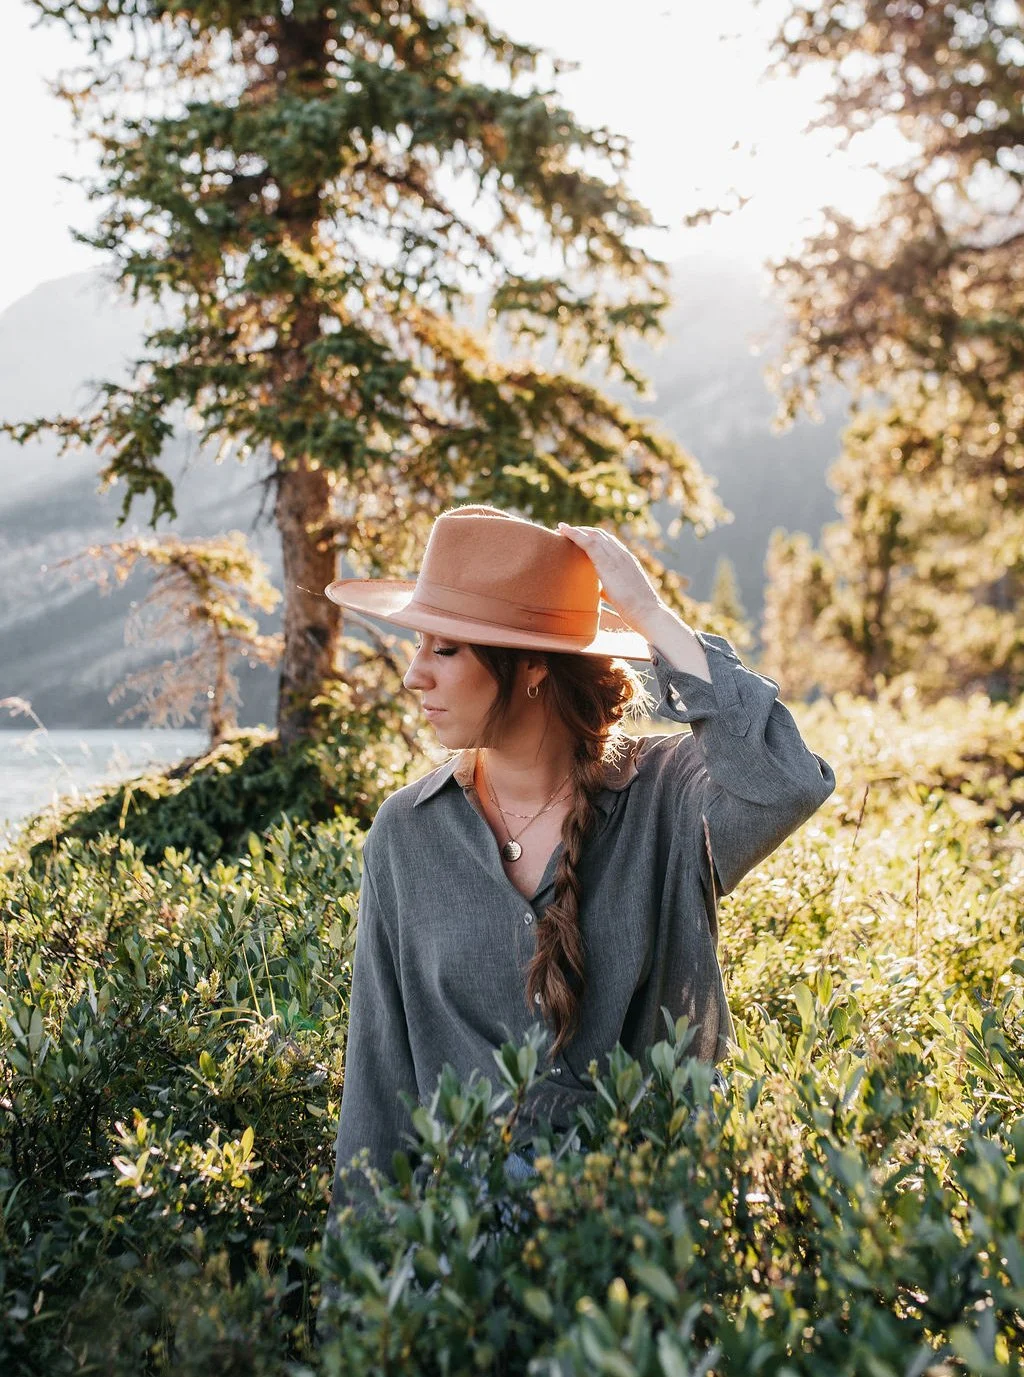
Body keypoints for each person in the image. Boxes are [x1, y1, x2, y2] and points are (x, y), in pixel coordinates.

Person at [322, 504, 836, 1215]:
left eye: (445, 650)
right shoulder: (406, 833)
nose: (414, 676)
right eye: (419, 646)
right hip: (461, 1261)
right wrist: (363, 1266)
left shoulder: (666, 798)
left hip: (639, 1248)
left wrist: (650, 617)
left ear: (532, 663)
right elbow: (379, 1082)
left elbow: (786, 783)